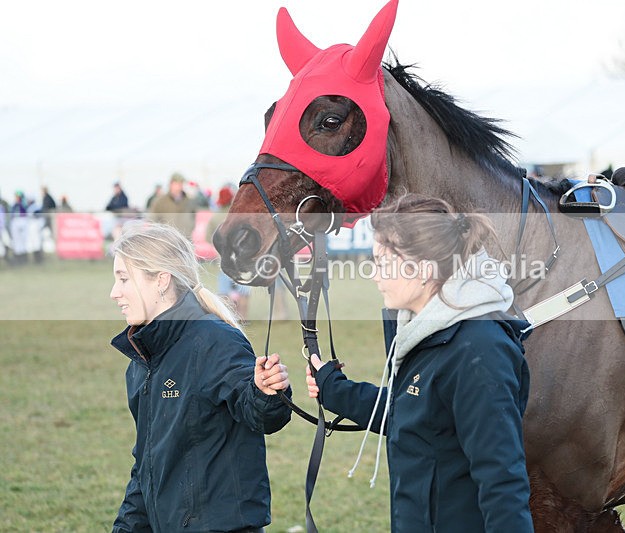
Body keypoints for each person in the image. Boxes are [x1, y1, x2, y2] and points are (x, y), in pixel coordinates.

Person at [304, 194, 534, 532]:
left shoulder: (479, 351)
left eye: (383, 262)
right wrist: (334, 389)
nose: (374, 275)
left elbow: (502, 484)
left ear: (423, 270)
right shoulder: (423, 329)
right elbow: (417, 415)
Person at [109, 222, 292, 532]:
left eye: (124, 279)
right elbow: (147, 466)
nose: (114, 292)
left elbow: (260, 414)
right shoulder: (142, 358)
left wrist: (265, 392)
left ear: (161, 280)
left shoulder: (214, 340)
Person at [206, 185, 253, 322]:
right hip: (241, 257)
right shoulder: (239, 215)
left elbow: (207, 237)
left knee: (224, 291)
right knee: (243, 289)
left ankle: (227, 318)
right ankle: (243, 318)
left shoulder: (215, 217)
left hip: (223, 258)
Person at [149, 173, 196, 238]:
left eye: (181, 184)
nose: (179, 187)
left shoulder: (189, 201)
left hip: (185, 238)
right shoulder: (160, 202)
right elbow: (153, 221)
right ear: (171, 184)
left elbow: (193, 218)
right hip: (167, 240)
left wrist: (189, 230)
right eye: (177, 184)